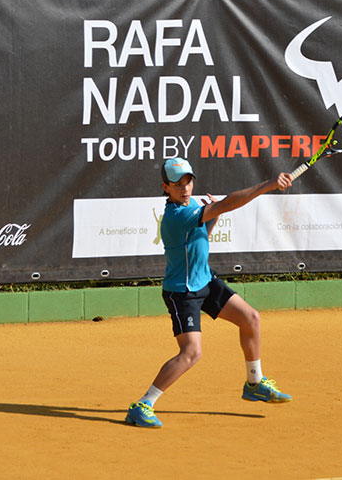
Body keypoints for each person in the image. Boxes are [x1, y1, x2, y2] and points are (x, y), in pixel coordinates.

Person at [125, 157, 293, 428]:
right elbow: (226, 203)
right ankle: (143, 404)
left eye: (188, 181)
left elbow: (202, 234)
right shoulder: (176, 215)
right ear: (165, 187)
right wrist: (268, 185)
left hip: (205, 281)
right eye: (177, 184)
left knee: (250, 318)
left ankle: (254, 382)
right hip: (183, 292)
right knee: (191, 353)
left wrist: (213, 217)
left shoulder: (190, 205)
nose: (185, 188)